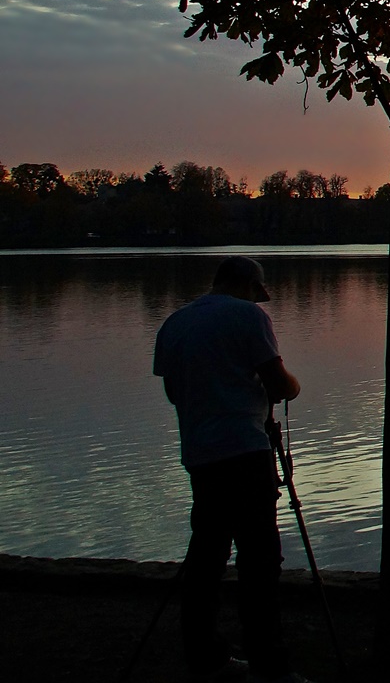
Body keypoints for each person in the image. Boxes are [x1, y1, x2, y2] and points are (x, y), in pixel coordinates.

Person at [152, 256, 306, 683]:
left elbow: (172, 392)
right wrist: (293, 385)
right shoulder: (248, 316)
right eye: (259, 291)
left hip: (200, 455)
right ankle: (269, 666)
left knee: (206, 558)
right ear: (247, 285)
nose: (261, 299)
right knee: (260, 562)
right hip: (245, 451)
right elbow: (278, 384)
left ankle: (205, 657)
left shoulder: (175, 324)